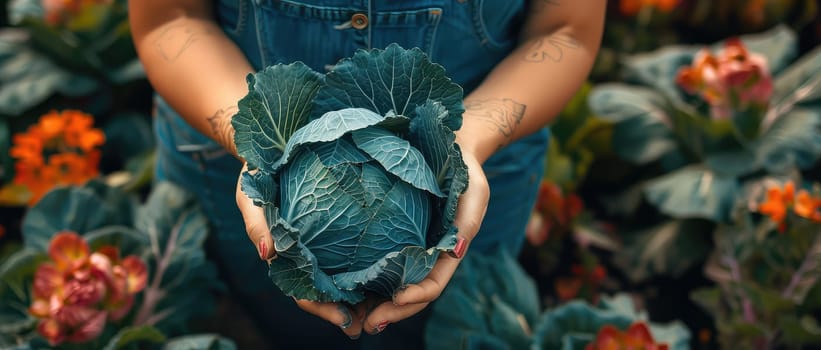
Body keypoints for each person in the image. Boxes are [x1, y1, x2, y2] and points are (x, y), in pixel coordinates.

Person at [129, 0, 605, 348]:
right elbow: (170, 17)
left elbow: (564, 28)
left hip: (476, 173)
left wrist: (464, 145)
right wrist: (258, 147)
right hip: (223, 144)